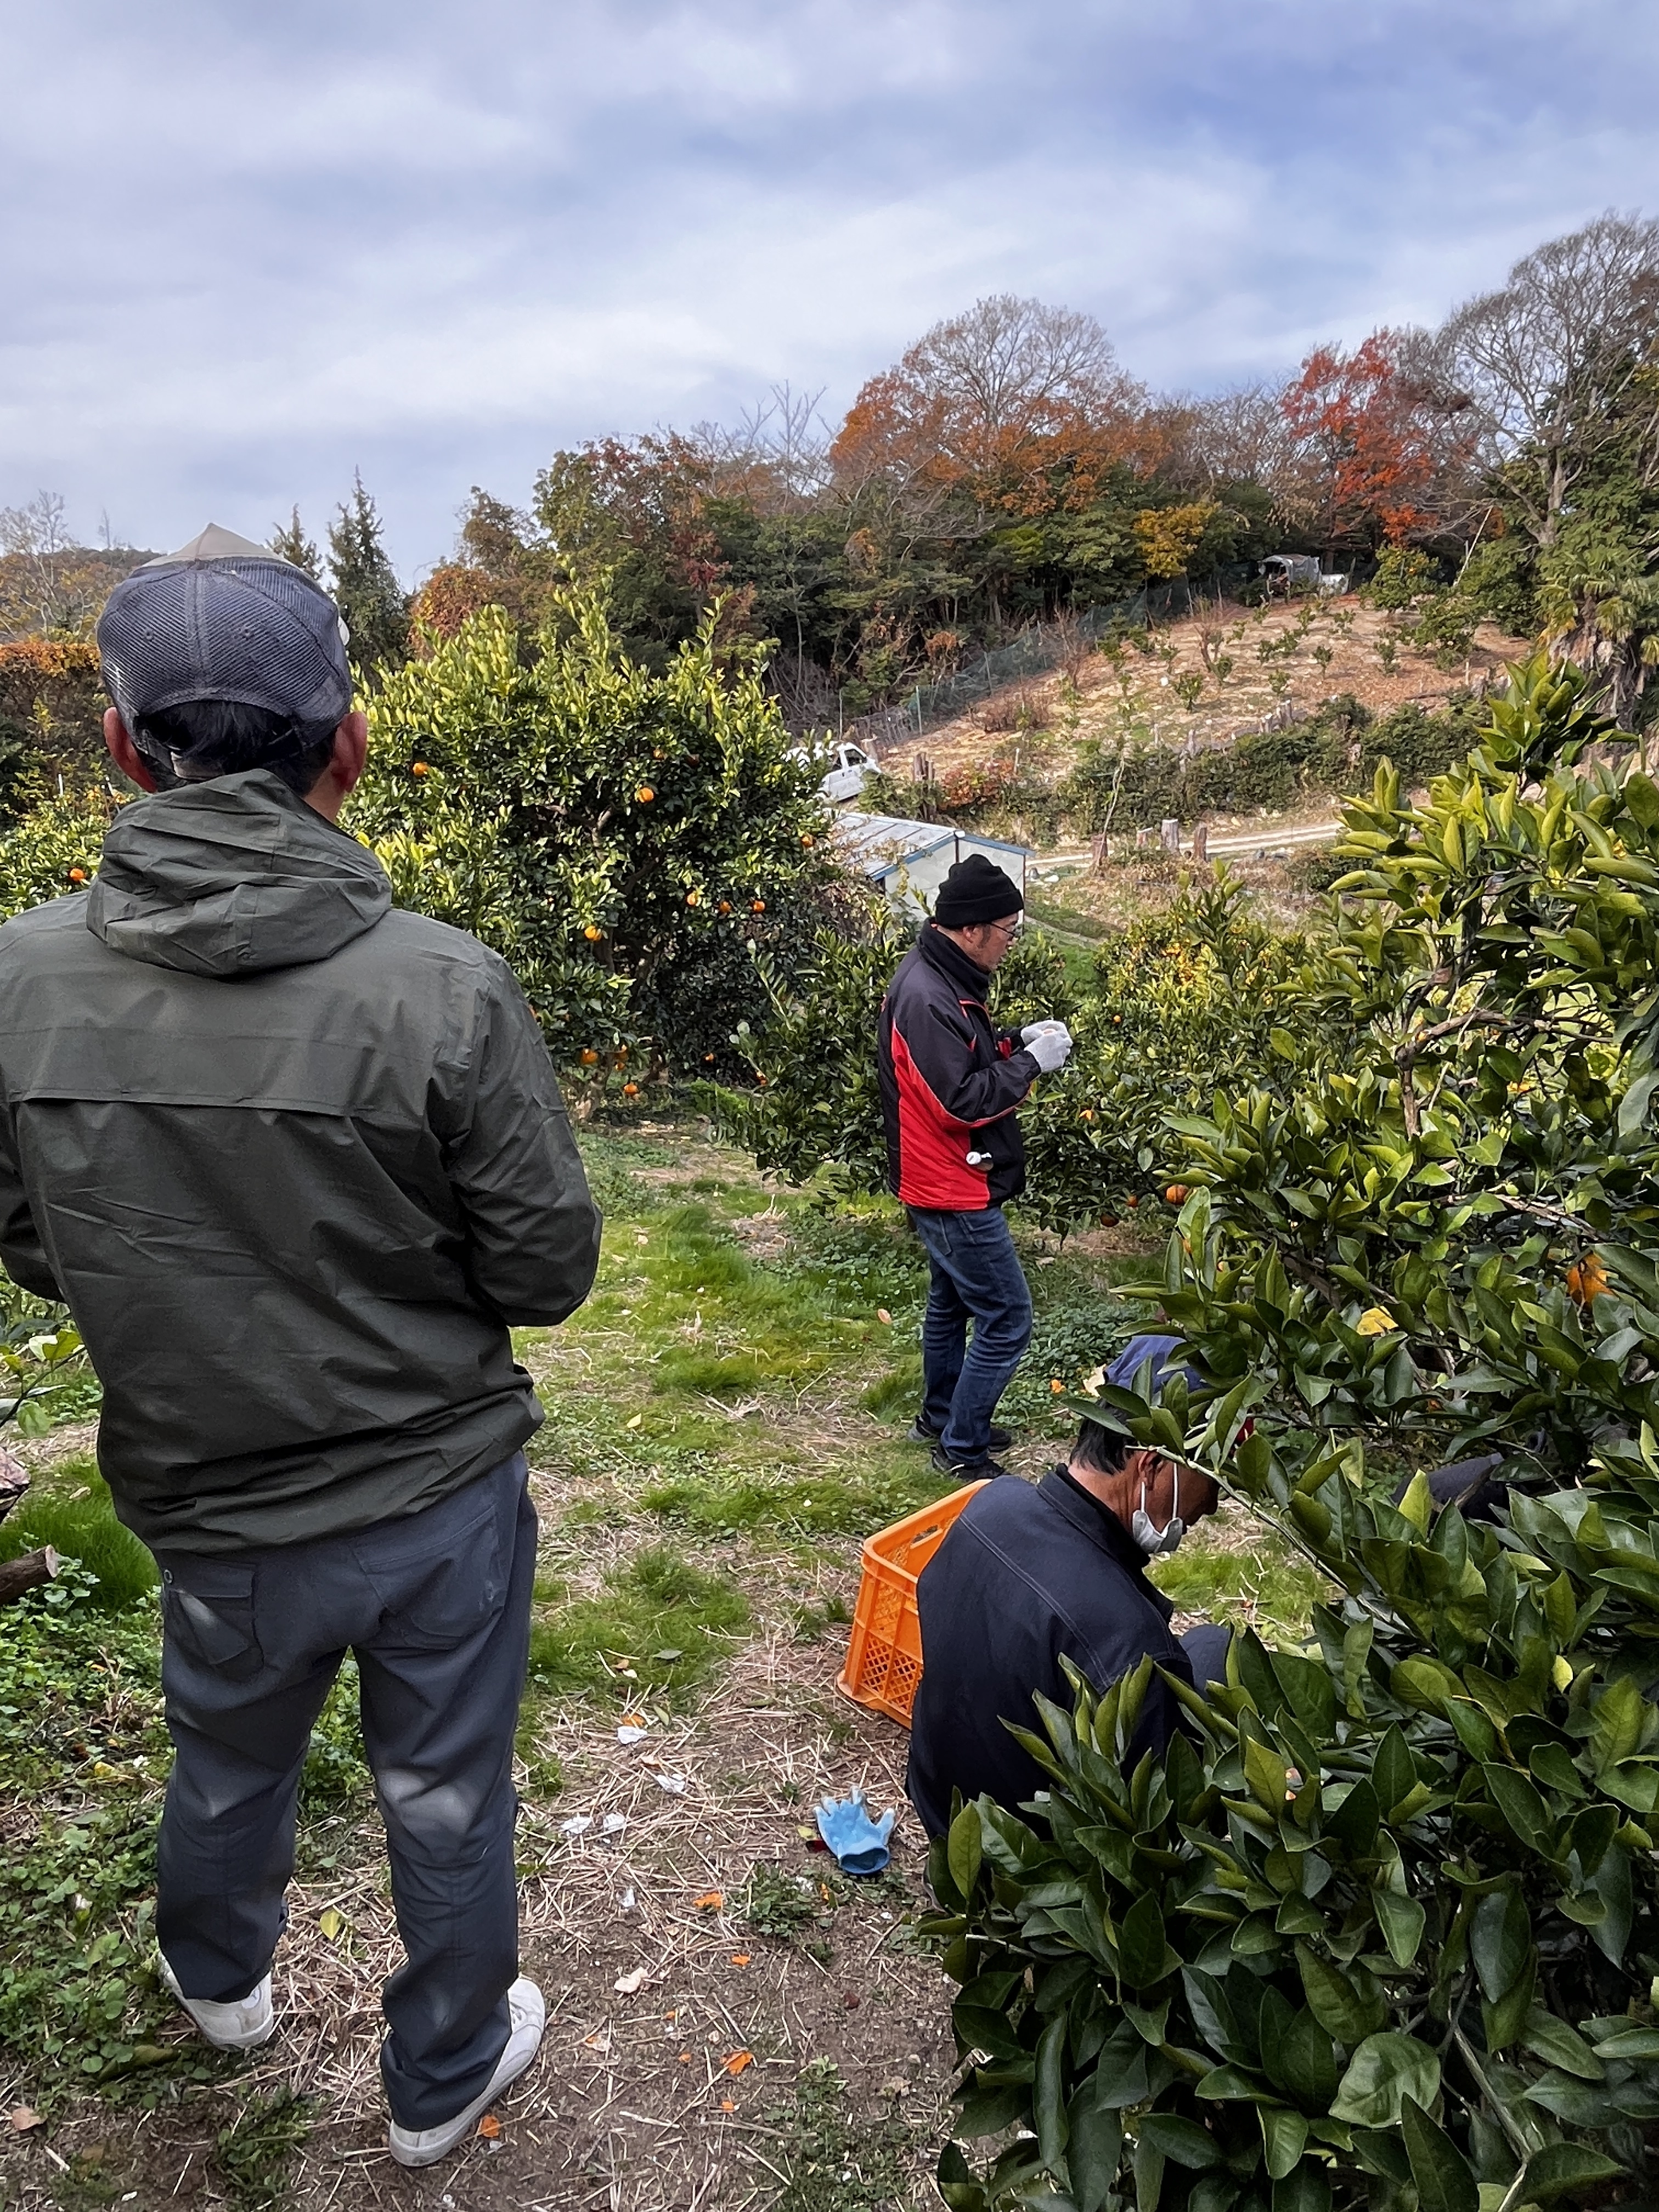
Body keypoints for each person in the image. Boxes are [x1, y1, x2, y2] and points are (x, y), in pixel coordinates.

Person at [0, 526, 602, 2167]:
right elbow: (547, 1270)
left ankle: (218, 1980)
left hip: (210, 1504)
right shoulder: (445, 990)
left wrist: (150, 1278)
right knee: (447, 1799)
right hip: (434, 1506)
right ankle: (442, 2076)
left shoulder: (16, 982)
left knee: (227, 1752)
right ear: (345, 743)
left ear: (122, 747)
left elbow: (21, 1217)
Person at [906, 1334, 1231, 1837]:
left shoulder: (991, 1505)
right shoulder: (1127, 1644)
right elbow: (1161, 1831)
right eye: (1210, 1481)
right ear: (1153, 1465)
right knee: (1220, 1652)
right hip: (1032, 1880)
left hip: (945, 1819)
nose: (1210, 1507)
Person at [877, 853, 1072, 1480]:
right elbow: (957, 1101)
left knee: (952, 1302)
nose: (1012, 943)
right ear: (970, 930)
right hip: (951, 1182)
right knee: (1007, 1316)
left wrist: (1013, 1041)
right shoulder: (928, 995)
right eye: (1008, 930)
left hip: (940, 1176)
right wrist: (1033, 1066)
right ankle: (961, 1448)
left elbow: (961, 1061)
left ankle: (942, 1415)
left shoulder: (941, 977)